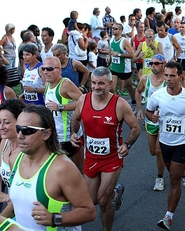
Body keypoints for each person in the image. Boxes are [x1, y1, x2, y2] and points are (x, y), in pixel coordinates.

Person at [2, 105, 96, 230]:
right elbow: (19, 202)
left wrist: (54, 219)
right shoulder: (15, 160)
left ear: (46, 134)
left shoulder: (62, 169)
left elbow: (89, 212)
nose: (20, 135)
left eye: (27, 130)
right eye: (18, 128)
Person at [70, 67, 140, 231]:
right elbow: (75, 118)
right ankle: (115, 192)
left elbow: (135, 128)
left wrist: (127, 144)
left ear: (110, 83)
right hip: (91, 157)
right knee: (91, 200)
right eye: (93, 83)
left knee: (102, 201)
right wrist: (74, 134)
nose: (96, 87)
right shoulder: (83, 100)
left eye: (100, 83)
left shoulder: (120, 104)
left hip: (112, 159)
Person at [145, 62, 185, 230]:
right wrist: (152, 117)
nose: (168, 79)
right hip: (164, 142)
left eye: (172, 76)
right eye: (166, 75)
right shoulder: (158, 95)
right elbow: (149, 110)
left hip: (182, 143)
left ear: (181, 77)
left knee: (174, 179)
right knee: (175, 173)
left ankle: (168, 216)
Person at [42, 56, 84, 171]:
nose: (46, 72)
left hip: (69, 136)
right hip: (55, 136)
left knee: (80, 170)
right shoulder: (47, 84)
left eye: (50, 69)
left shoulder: (65, 84)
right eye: (43, 68)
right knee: (57, 171)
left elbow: (83, 101)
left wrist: (61, 107)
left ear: (59, 70)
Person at [135, 55, 167, 191]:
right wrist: (139, 110)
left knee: (159, 151)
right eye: (151, 63)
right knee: (153, 151)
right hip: (150, 118)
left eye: (156, 63)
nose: (153, 65)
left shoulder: (169, 79)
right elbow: (138, 91)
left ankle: (160, 177)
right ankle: (172, 161)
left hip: (165, 120)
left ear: (163, 65)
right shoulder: (145, 79)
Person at [108, 23, 137, 110]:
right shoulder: (111, 39)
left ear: (120, 30)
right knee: (112, 88)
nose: (113, 30)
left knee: (129, 86)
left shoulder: (124, 41)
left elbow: (132, 55)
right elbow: (111, 51)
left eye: (115, 28)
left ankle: (134, 102)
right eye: (113, 28)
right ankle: (117, 105)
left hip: (125, 69)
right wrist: (109, 58)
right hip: (114, 68)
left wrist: (119, 55)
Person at [0, 99, 25, 197]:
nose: (1, 127)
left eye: (6, 122)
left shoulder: (26, 151)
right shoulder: (4, 142)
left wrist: (4, 212)